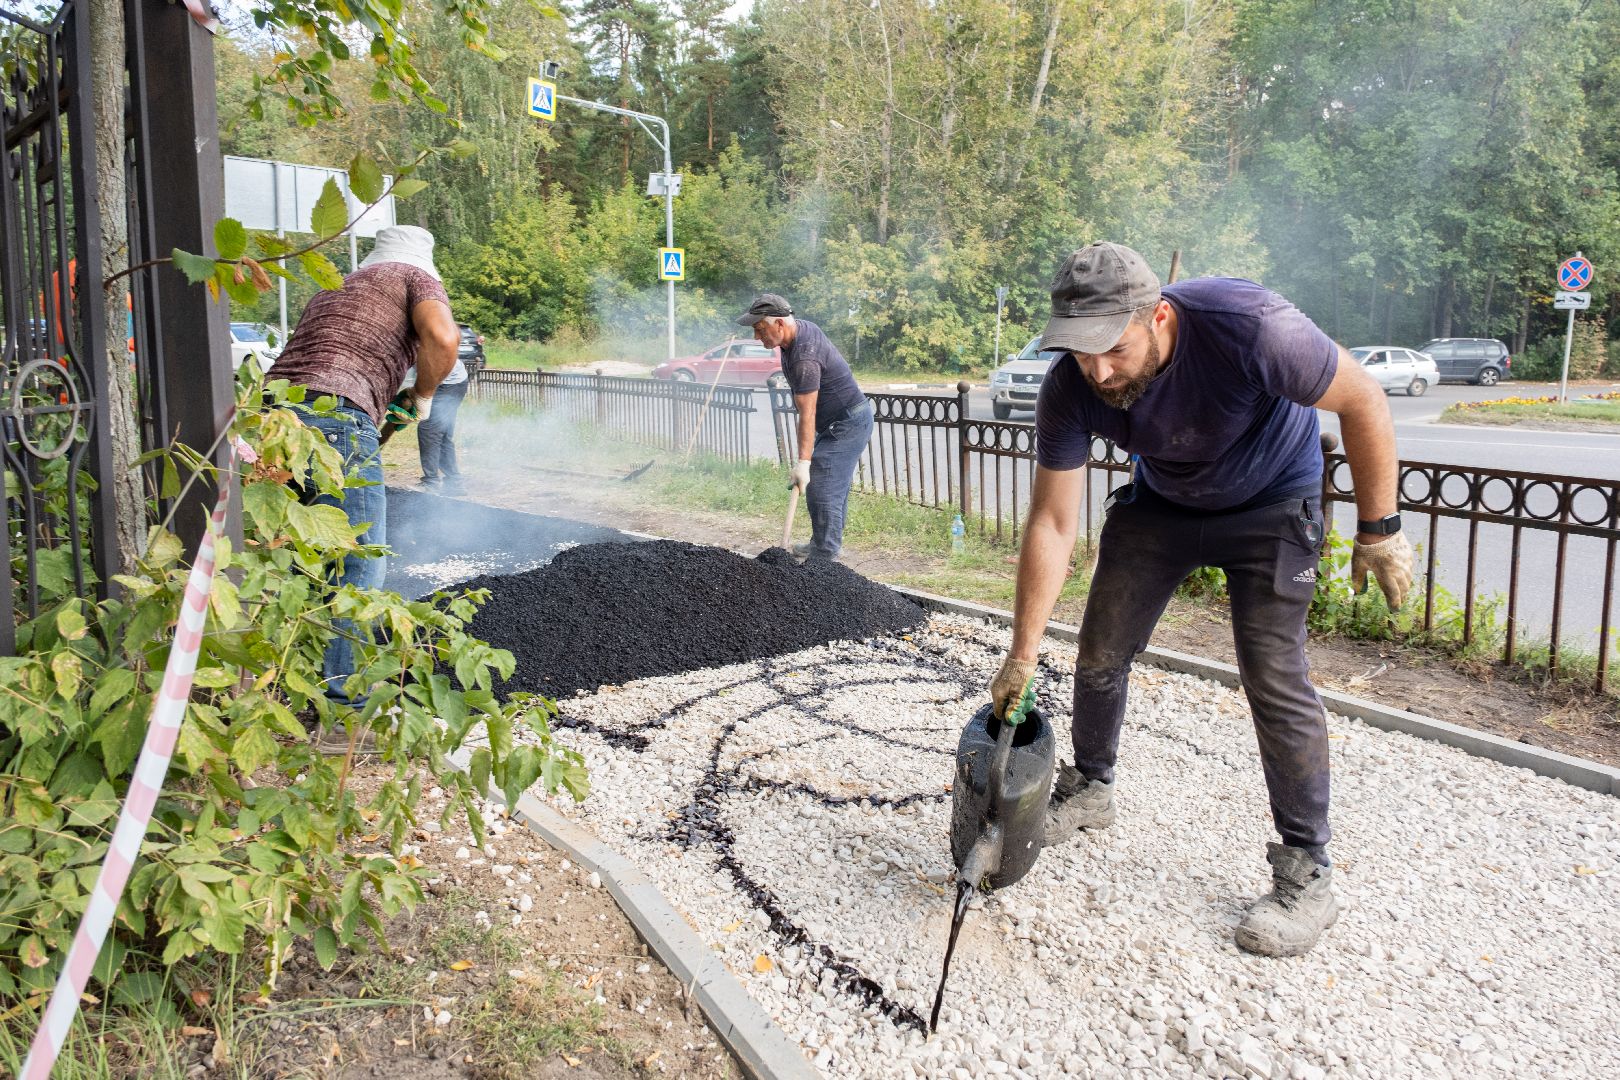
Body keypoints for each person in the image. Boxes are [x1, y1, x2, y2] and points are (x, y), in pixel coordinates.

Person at [990, 242, 1413, 957]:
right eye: (1079, 353)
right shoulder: (1071, 385)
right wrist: (1022, 652)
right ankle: (1092, 787)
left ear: (1158, 316)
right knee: (1099, 651)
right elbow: (1054, 521)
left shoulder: (1250, 326)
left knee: (1273, 676)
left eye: (1113, 350)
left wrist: (1380, 529)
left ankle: (1308, 870)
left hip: (1272, 503)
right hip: (1164, 503)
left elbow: (1362, 398)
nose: (1097, 372)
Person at [269, 224, 459, 705]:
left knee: (292, 554)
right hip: (336, 413)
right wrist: (424, 393)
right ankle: (340, 707)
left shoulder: (334, 290)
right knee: (357, 562)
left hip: (270, 416)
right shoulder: (414, 277)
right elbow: (443, 338)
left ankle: (283, 685)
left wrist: (386, 413)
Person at [735, 293, 873, 560]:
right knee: (830, 484)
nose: (756, 337)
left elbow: (806, 413)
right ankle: (824, 542)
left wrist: (803, 462)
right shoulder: (796, 334)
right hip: (838, 422)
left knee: (823, 483)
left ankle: (825, 557)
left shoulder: (804, 358)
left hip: (848, 422)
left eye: (760, 329)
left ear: (779, 325)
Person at [418, 348, 468, 494]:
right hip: (453, 382)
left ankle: (431, 483)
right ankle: (454, 483)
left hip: (447, 384)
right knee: (442, 433)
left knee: (429, 431)